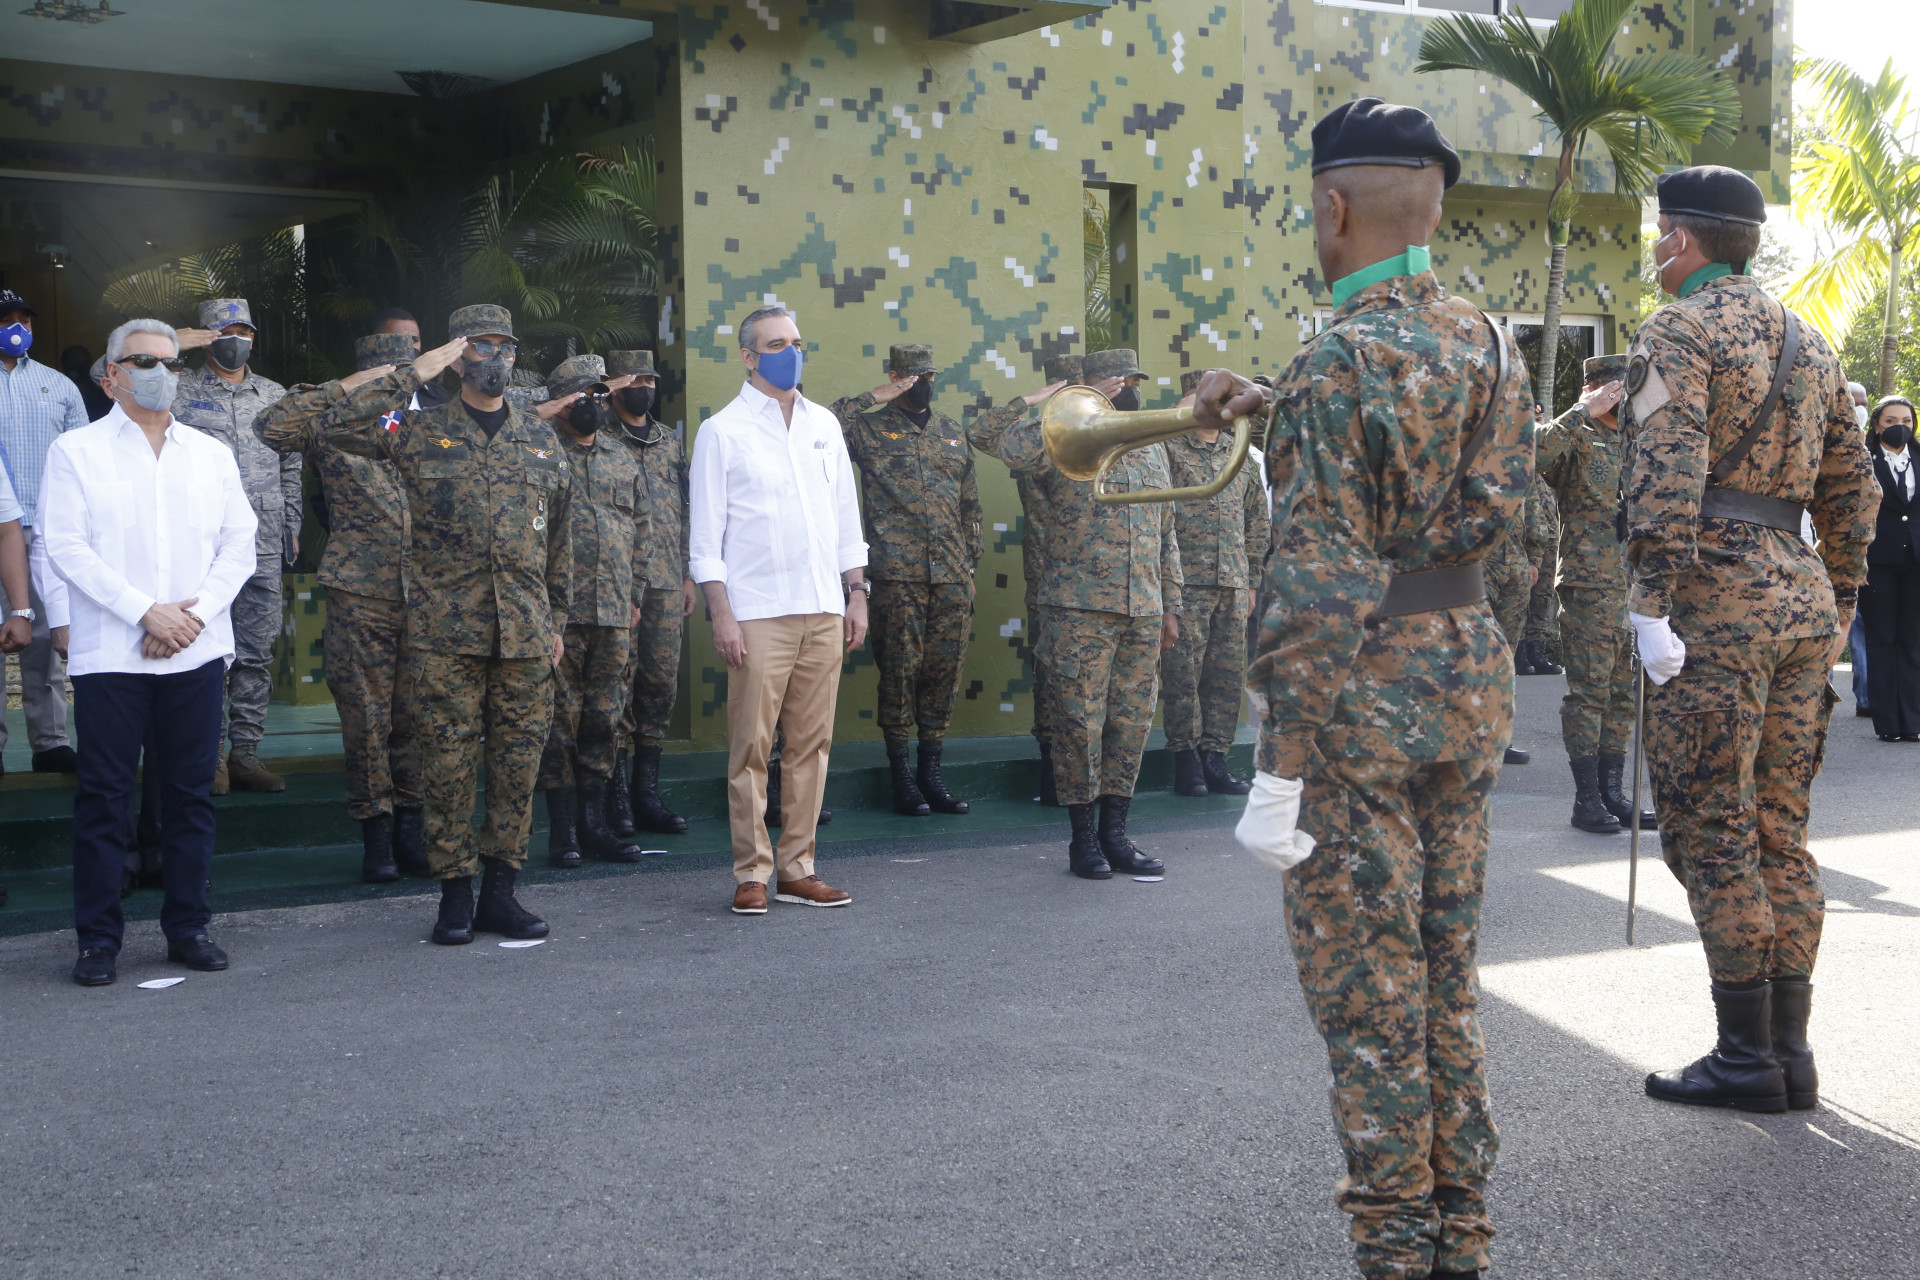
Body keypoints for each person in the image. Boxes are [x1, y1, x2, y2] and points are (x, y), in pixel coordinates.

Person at [1202, 99, 1532, 1280]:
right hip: (1466, 669)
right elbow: (1470, 491)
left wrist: (1277, 767)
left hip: (1363, 693)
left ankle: (1395, 1250)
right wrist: (1278, 403)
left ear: (1335, 207)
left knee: (1369, 998)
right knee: (1445, 975)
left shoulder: (1337, 357)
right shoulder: (1489, 340)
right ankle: (1462, 1237)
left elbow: (1320, 578)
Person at [1624, 165, 1878, 1114]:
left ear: (1681, 240)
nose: (1654, 250)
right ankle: (1788, 1053)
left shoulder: (1677, 329)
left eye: (1659, 233)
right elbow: (1855, 485)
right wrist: (1841, 592)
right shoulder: (1811, 341)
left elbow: (1667, 468)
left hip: (1713, 597)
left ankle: (1744, 1058)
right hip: (1799, 594)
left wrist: (1650, 600)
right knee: (1781, 827)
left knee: (1712, 827)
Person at [308, 305, 569, 945]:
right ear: (456, 357)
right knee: (446, 769)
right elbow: (317, 426)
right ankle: (455, 895)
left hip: (526, 636)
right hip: (444, 636)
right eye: (480, 345)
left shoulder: (541, 439)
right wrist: (410, 374)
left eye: (504, 346)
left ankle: (501, 893)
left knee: (516, 768)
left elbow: (561, 540)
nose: (495, 357)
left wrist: (556, 620)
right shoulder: (412, 428)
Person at [39, 318, 258, 987]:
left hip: (195, 652)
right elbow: (65, 545)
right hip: (112, 656)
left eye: (168, 362)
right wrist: (146, 611)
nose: (159, 372)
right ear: (111, 375)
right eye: (142, 360)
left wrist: (193, 616)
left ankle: (189, 927)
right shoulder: (76, 451)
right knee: (104, 799)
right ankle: (98, 940)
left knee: (189, 798)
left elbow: (239, 543)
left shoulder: (210, 453)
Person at [689, 305, 868, 915]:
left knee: (812, 746)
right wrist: (722, 613)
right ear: (748, 357)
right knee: (751, 747)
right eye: (775, 344)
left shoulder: (824, 425)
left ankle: (798, 868)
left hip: (823, 606)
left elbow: (845, 517)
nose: (790, 353)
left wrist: (856, 593)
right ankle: (751, 873)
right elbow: (706, 537)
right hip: (759, 612)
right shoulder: (722, 431)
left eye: (796, 342)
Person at [991, 348, 1180, 881]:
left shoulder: (1151, 446)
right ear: (1092, 386)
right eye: (1118, 382)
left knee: (1131, 724)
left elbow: (1167, 532)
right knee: (1078, 725)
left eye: (1135, 380)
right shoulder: (1064, 439)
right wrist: (1067, 405)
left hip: (1142, 608)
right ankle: (1083, 840)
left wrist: (1171, 605)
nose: (1130, 390)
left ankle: (1115, 835)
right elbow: (1007, 446)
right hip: (1078, 609)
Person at [254, 330, 429, 882]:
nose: (401, 384)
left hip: (428, 593)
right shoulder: (329, 426)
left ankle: (412, 829)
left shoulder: (437, 423)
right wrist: (347, 386)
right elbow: (270, 426)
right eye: (390, 375)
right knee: (365, 719)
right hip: (360, 592)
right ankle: (376, 834)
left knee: (417, 716)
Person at [832, 344, 983, 816]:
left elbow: (970, 507)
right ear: (897, 376)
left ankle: (930, 775)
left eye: (929, 375)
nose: (924, 384)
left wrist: (970, 566)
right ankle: (902, 778)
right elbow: (821, 427)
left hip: (951, 576)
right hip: (896, 576)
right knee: (899, 675)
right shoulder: (867, 428)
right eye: (914, 376)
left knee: (943, 674)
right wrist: (873, 396)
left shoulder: (950, 432)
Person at [170, 298, 299, 795]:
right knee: (206, 651)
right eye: (225, 331)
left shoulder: (274, 394)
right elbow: (107, 371)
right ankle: (211, 756)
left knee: (256, 651)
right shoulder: (178, 389)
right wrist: (172, 341)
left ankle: (245, 752)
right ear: (206, 337)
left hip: (263, 538)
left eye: (244, 330)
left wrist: (291, 523)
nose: (236, 339)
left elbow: (291, 463)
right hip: (203, 541)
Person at [533, 354, 648, 865]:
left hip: (613, 613)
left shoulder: (621, 457)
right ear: (558, 402)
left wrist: (635, 595)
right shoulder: (538, 451)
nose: (592, 404)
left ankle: (595, 825)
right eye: (580, 395)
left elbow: (642, 529)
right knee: (559, 723)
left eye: (599, 394)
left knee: (604, 721)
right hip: (559, 615)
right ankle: (563, 834)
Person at [1535, 355, 1656, 832]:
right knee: (1589, 693)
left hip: (1632, 585)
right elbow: (1534, 457)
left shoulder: (1636, 440)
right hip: (1588, 583)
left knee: (1623, 694)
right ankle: (1585, 799)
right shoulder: (1575, 435)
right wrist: (1582, 409)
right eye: (1619, 392)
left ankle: (1612, 794)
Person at [966, 354, 1079, 806]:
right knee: (1052, 676)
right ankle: (1053, 772)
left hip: (1101, 580)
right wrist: (1031, 401)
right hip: (1050, 578)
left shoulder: (1104, 433)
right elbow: (981, 434)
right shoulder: (1037, 440)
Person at [1161, 366, 1268, 797]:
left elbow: (1256, 519)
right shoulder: (1167, 448)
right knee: (1183, 677)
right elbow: (1159, 518)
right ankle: (1186, 760)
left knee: (1225, 677)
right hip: (1186, 582)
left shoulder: (1238, 450)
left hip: (1233, 581)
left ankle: (1215, 759)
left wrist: (1252, 580)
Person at [605, 349, 693, 837]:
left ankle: (647, 794)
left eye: (650, 380)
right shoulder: (599, 437)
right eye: (634, 380)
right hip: (617, 585)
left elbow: (686, 507)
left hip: (665, 581)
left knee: (659, 686)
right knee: (618, 686)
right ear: (614, 386)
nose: (644, 388)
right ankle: (616, 796)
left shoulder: (669, 442)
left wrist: (687, 573)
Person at [0, 287, 86, 776]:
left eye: (24, 320)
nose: (17, 328)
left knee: (44, 638)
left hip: (45, 530)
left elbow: (82, 462)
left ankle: (50, 742)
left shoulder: (60, 386)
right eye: (6, 320)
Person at [1860, 395, 1920, 741]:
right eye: (1891, 420)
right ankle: (1887, 723)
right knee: (1881, 638)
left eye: (1906, 421)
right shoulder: (1863, 460)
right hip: (1877, 561)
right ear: (1877, 425)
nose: (1900, 427)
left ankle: (1912, 722)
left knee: (1912, 640)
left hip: (1916, 562)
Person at [1518, 479, 1563, 676]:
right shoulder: (1522, 471)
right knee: (1521, 596)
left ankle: (1536, 651)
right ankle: (1519, 651)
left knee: (1543, 597)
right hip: (1525, 540)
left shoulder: (1547, 477)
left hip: (1550, 540)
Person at [1848, 383, 1875, 715]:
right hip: (1836, 553)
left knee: (1863, 627)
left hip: (1875, 557)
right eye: (1854, 402)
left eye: (1864, 403)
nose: (1859, 409)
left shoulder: (1873, 450)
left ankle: (1868, 696)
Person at [60, 345, 114, 421]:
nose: (80, 370)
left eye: (84, 365)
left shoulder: (104, 395)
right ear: (64, 366)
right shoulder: (59, 395)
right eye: (74, 364)